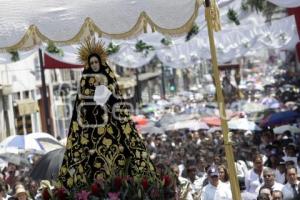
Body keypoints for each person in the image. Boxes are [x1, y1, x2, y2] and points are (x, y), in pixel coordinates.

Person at [57, 38, 156, 189]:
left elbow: (117, 103)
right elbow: (82, 108)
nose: (95, 65)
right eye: (92, 63)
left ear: (101, 63)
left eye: (97, 62)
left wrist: (105, 91)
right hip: (93, 130)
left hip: (114, 128)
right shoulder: (85, 83)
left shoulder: (109, 79)